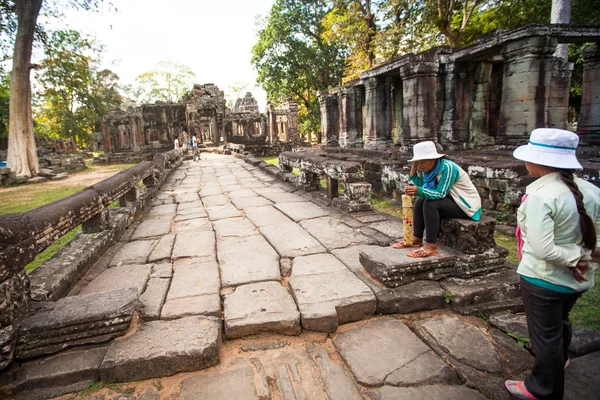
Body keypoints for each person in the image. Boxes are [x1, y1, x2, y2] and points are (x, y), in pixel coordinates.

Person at [505, 128, 600, 400]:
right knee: (561, 322)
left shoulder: (541, 195)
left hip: (543, 279)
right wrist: (586, 257)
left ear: (536, 161)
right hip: (578, 281)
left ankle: (542, 387)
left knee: (544, 336)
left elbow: (542, 247)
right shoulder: (590, 190)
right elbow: (595, 233)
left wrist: (574, 259)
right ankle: (560, 360)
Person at [392, 141, 482, 258]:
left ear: (433, 159)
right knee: (421, 200)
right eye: (417, 162)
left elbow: (440, 194)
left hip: (466, 206)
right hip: (452, 200)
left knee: (430, 204)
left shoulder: (447, 168)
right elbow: (425, 188)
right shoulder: (430, 170)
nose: (420, 165)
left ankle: (431, 245)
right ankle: (416, 238)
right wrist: (414, 176)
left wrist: (418, 190)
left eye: (423, 161)